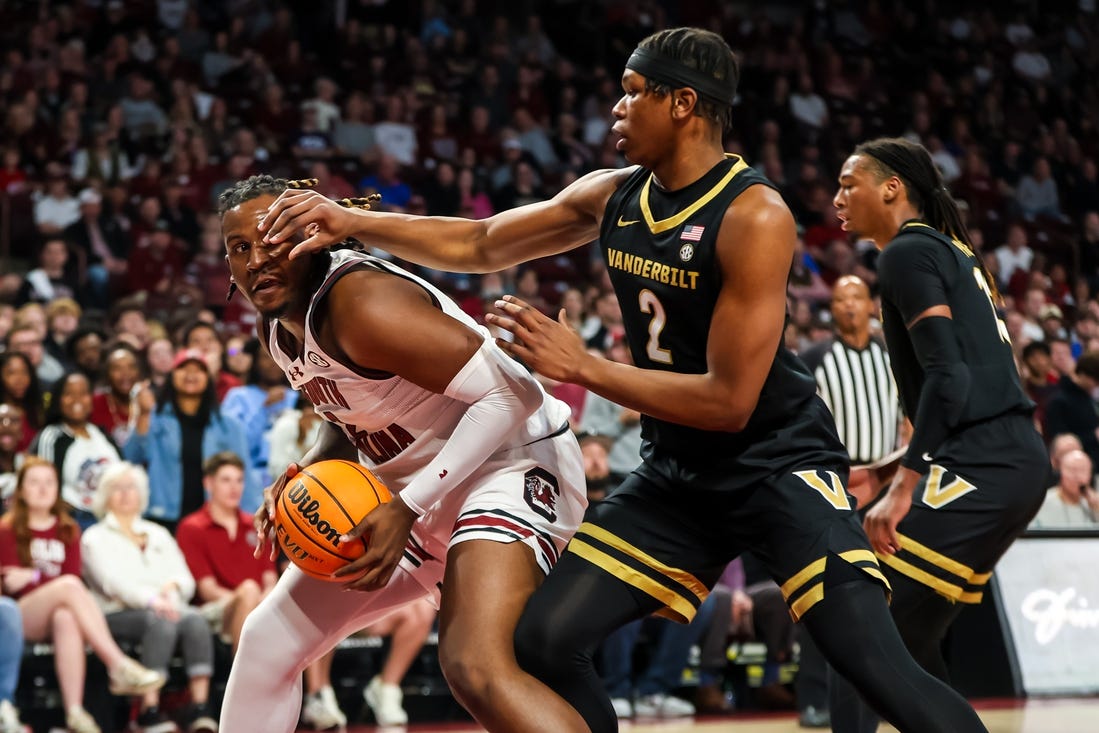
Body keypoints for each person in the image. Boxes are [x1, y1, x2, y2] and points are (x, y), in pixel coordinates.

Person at [257, 27, 986, 733]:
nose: (616, 108)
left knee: (873, 665)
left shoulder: (754, 213)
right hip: (678, 476)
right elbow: (482, 241)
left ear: (683, 104)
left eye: (633, 92)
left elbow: (729, 403)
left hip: (775, 466)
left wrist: (584, 368)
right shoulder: (614, 194)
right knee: (537, 641)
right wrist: (351, 225)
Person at [217, 174, 587, 733]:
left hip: (512, 464)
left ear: (312, 236)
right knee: (266, 640)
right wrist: (306, 472)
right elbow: (348, 416)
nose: (256, 260)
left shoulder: (362, 304)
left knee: (475, 663)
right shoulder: (279, 327)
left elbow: (513, 392)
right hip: (417, 493)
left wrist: (407, 506)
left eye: (272, 239)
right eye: (240, 248)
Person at [830, 136, 1049, 733]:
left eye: (850, 184)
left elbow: (949, 376)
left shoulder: (904, 253)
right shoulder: (951, 250)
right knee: (910, 647)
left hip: (982, 464)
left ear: (891, 188)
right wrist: (902, 463)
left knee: (855, 625)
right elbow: (966, 380)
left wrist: (903, 485)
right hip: (1008, 458)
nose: (836, 197)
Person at [0, 458, 164, 733]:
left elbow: (68, 579)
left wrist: (33, 577)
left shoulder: (68, 530)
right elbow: (11, 584)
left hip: (54, 614)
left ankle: (75, 712)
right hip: (17, 617)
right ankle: (118, 665)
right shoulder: (5, 530)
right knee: (69, 588)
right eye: (34, 482)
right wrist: (39, 580)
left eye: (49, 482)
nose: (42, 489)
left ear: (58, 489)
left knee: (66, 615)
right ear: (21, 491)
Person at [81, 462, 218, 733]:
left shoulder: (158, 533)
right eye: (116, 488)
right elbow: (112, 584)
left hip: (167, 606)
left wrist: (173, 591)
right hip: (114, 614)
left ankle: (199, 707)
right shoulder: (94, 537)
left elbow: (184, 578)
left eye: (131, 487)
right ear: (105, 495)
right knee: (160, 621)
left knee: (195, 620)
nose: (125, 493)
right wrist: (153, 600)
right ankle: (148, 710)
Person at [800, 275, 902, 508]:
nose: (849, 304)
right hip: (836, 474)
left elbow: (906, 419)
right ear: (832, 308)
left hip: (884, 474)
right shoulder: (815, 358)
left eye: (856, 297)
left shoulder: (891, 357)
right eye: (840, 299)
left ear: (870, 305)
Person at [124, 349, 250, 532]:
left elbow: (244, 473)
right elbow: (131, 458)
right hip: (163, 518)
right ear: (172, 376)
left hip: (213, 520)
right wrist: (143, 415)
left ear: (208, 378)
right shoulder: (155, 417)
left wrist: (249, 519)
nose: (191, 374)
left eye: (199, 369)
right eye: (183, 368)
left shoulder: (229, 425)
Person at [30, 371, 121, 528]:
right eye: (68, 394)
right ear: (58, 399)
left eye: (83, 393)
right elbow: (43, 484)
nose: (77, 400)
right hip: (76, 520)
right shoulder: (52, 436)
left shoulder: (103, 434)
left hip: (113, 517)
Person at [1029, 449, 1099, 528]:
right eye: (1073, 470)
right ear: (1060, 473)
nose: (1077, 476)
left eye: (1083, 470)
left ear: (1090, 475)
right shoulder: (1042, 502)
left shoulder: (1093, 503)